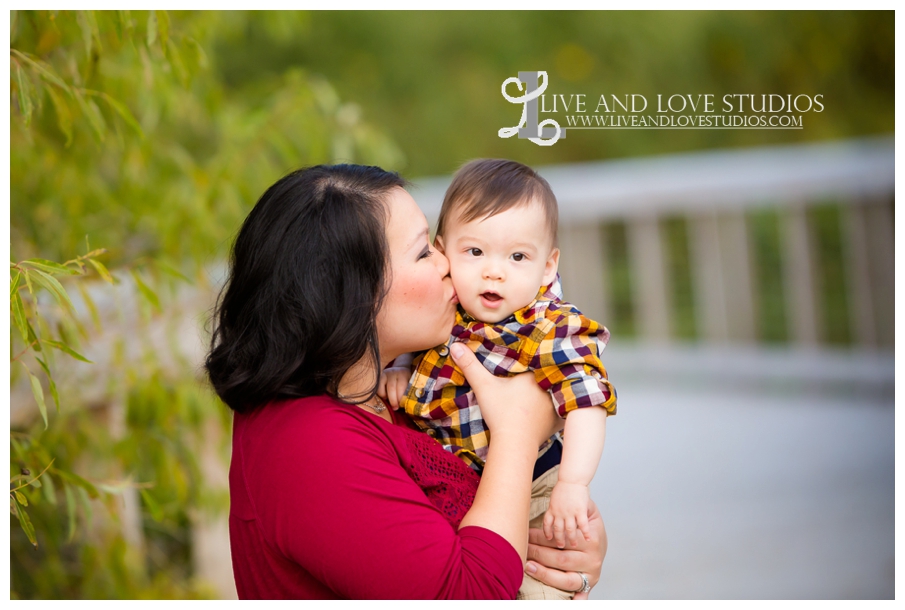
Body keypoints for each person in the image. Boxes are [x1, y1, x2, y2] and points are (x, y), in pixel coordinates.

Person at [204, 164, 607, 599]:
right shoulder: (307, 443)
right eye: (424, 253)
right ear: (351, 294)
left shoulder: (399, 390)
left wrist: (569, 559)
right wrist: (517, 433)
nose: (447, 265)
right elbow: (469, 596)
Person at [379, 159, 616, 600]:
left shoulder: (546, 326)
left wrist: (573, 484)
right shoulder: (445, 314)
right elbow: (425, 365)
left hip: (535, 488)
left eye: (518, 257)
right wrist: (402, 372)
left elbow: (587, 403)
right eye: (475, 252)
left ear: (548, 267)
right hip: (461, 488)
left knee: (540, 587)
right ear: (442, 251)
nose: (494, 271)